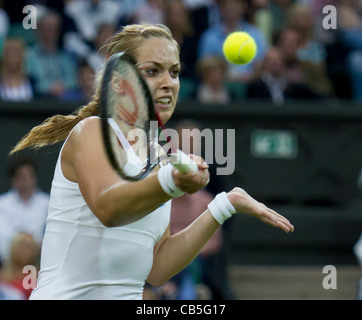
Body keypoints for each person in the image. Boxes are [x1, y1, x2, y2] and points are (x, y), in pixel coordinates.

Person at [10, 23, 293, 300]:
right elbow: (108, 208)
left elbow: (156, 268)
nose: (168, 83)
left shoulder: (159, 158)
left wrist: (223, 205)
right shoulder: (92, 131)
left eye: (174, 72)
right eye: (153, 71)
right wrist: (171, 182)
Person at [0, 157, 49, 263]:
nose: (26, 181)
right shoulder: (2, 204)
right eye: (21, 177)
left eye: (30, 176)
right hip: (8, 265)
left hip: (40, 263)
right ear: (13, 179)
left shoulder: (47, 203)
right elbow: (3, 241)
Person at [26, 9, 78, 99]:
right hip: (38, 101)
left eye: (54, 29)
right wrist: (50, 88)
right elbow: (30, 81)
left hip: (63, 101)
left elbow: (72, 80)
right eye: (46, 29)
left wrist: (62, 87)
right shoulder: (29, 55)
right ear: (39, 31)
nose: (50, 33)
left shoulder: (65, 57)